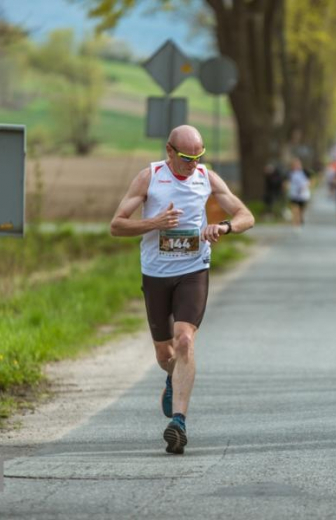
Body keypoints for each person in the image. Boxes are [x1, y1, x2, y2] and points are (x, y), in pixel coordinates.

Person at [110, 125, 254, 454]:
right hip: (156, 274)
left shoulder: (207, 177)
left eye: (198, 157)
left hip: (194, 269)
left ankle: (179, 422)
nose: (193, 165)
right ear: (170, 151)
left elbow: (247, 215)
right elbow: (116, 225)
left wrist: (224, 227)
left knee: (185, 338)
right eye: (187, 158)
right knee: (165, 354)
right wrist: (154, 223)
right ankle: (172, 379)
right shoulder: (149, 177)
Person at [287, 158, 311, 230]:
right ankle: (295, 225)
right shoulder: (290, 173)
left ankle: (300, 219)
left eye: (297, 164)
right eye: (295, 165)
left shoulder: (304, 172)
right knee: (295, 210)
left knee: (301, 210)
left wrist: (306, 186)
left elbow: (310, 181)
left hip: (303, 195)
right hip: (293, 194)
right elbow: (287, 182)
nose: (296, 166)